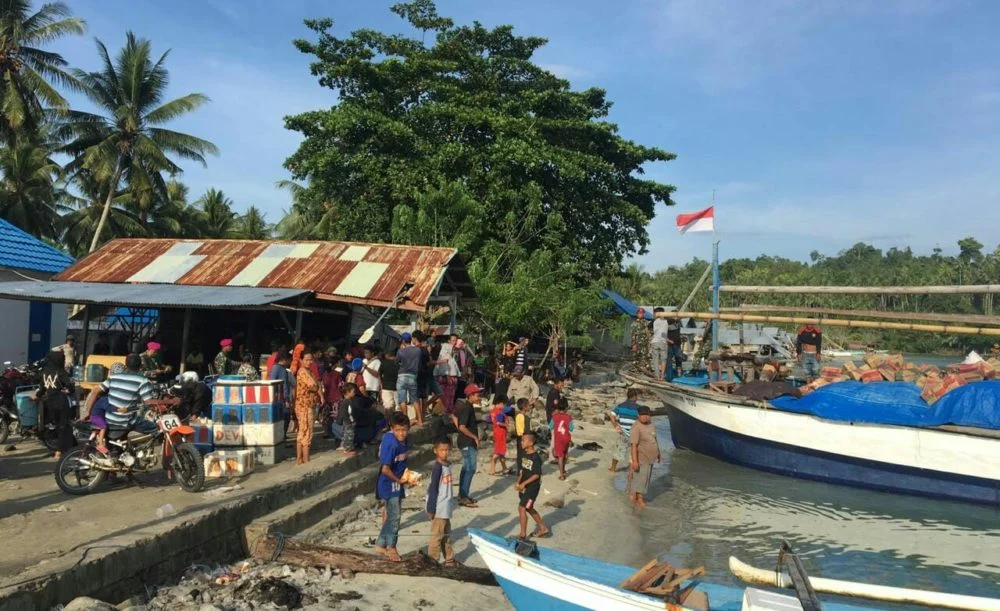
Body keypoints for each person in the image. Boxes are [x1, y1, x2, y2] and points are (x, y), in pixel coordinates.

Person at [83, 353, 158, 457]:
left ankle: (126, 453)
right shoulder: (142, 380)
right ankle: (141, 454)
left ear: (126, 365)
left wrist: (87, 411)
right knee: (156, 429)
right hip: (125, 421)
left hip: (109, 419)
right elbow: (149, 402)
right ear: (140, 366)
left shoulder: (114, 377)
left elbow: (95, 391)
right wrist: (170, 402)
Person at [375, 411, 411, 563]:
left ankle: (381, 543)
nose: (401, 433)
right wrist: (399, 480)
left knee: (391, 516)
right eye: (398, 430)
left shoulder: (406, 440)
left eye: (404, 430)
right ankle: (392, 547)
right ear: (392, 428)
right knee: (395, 517)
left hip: (398, 481)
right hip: (389, 484)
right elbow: (385, 469)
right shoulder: (391, 443)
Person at [37, 348, 75, 459]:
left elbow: (42, 389)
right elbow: (70, 387)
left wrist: (37, 396)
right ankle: (59, 451)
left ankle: (70, 445)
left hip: (50, 403)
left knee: (58, 426)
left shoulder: (45, 372)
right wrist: (67, 390)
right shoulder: (61, 372)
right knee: (64, 426)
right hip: (62, 402)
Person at [426, 437, 458, 567]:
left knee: (446, 535)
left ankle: (449, 559)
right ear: (435, 451)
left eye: (447, 450)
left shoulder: (446, 465)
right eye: (442, 450)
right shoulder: (438, 468)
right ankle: (432, 561)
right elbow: (433, 489)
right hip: (439, 507)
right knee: (437, 536)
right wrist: (431, 508)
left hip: (446, 507)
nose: (445, 452)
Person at [452, 383, 482, 508]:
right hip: (467, 442)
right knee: (470, 469)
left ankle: (462, 494)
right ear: (471, 395)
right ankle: (463, 496)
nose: (479, 396)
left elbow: (454, 416)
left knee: (466, 469)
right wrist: (474, 437)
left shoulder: (465, 406)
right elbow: (462, 426)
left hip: (464, 441)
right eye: (477, 394)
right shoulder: (467, 408)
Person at [515, 433, 549, 539]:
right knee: (529, 508)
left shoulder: (535, 457)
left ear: (531, 443)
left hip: (532, 488)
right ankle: (543, 528)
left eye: (523, 440)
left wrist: (524, 484)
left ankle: (522, 534)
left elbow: (536, 474)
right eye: (521, 440)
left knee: (522, 508)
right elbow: (523, 471)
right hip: (524, 487)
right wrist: (518, 482)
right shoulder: (524, 454)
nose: (521, 442)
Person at [629, 405, 661, 508]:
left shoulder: (651, 425)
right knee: (642, 479)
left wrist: (659, 454)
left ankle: (634, 496)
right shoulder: (636, 427)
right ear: (638, 415)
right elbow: (633, 445)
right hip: (642, 457)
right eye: (642, 415)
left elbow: (655, 440)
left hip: (651, 458)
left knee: (645, 478)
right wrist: (634, 461)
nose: (645, 417)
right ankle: (640, 499)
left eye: (647, 415)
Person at [294, 352, 322, 465]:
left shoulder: (310, 372)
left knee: (304, 431)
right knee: (306, 431)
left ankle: (301, 459)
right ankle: (304, 459)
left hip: (308, 404)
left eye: (311, 360)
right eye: (306, 360)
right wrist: (316, 387)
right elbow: (313, 385)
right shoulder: (302, 372)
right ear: (301, 360)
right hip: (304, 405)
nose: (309, 362)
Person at [608, 389, 641, 473]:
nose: (637, 398)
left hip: (623, 433)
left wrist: (616, 426)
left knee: (618, 452)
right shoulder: (638, 408)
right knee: (633, 454)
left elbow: (612, 416)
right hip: (635, 434)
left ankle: (613, 468)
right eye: (637, 396)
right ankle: (632, 471)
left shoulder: (621, 405)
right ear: (634, 397)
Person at [396, 333, 423, 427]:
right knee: (415, 400)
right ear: (411, 339)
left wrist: (402, 348)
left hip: (402, 376)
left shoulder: (400, 351)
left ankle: (405, 422)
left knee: (402, 401)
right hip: (413, 376)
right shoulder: (417, 350)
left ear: (403, 341)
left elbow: (397, 362)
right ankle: (420, 420)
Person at [269, 351, 296, 436]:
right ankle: (282, 435)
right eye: (289, 360)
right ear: (284, 359)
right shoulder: (279, 368)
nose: (290, 362)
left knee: (284, 417)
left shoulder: (279, 368)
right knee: (285, 416)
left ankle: (282, 435)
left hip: (281, 397)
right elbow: (282, 385)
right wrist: (286, 399)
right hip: (282, 398)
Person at [550, 394, 574, 480]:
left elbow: (550, 426)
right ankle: (563, 470)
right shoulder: (569, 417)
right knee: (564, 454)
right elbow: (571, 428)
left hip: (558, 439)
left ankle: (562, 475)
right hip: (567, 438)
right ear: (566, 408)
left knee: (560, 456)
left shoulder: (555, 416)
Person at [435, 335, 460, 414]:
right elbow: (445, 362)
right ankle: (446, 410)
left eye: (456, 341)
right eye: (453, 340)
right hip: (448, 376)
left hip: (448, 376)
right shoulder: (446, 348)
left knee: (447, 395)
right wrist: (447, 375)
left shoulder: (452, 352)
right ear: (448, 341)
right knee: (447, 395)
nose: (455, 342)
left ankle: (445, 410)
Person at [488, 394, 511, 476]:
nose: (504, 407)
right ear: (501, 403)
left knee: (500, 451)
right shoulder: (499, 413)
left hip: (496, 432)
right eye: (504, 405)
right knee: (499, 451)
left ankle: (504, 468)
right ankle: (492, 468)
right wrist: (506, 425)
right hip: (501, 433)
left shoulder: (493, 411)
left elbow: (490, 420)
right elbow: (498, 422)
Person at [631, 308, 652, 375]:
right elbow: (633, 334)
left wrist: (649, 342)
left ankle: (644, 370)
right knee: (636, 357)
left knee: (645, 357)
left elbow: (649, 332)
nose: (641, 314)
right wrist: (633, 344)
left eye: (642, 313)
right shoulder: (634, 323)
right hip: (637, 343)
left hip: (645, 343)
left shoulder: (646, 322)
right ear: (637, 314)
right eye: (639, 313)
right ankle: (636, 370)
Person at [650, 307, 669, 380]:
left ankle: (657, 376)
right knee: (663, 360)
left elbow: (649, 327)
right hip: (663, 342)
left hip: (655, 341)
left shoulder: (654, 321)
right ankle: (662, 376)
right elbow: (663, 334)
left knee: (656, 360)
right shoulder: (666, 321)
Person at [380, 349, 399, 419]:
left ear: (387, 355)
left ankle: (388, 424)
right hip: (397, 387)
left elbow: (379, 374)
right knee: (397, 407)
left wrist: (381, 384)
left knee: (388, 407)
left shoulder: (383, 363)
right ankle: (397, 423)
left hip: (386, 387)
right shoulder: (399, 363)